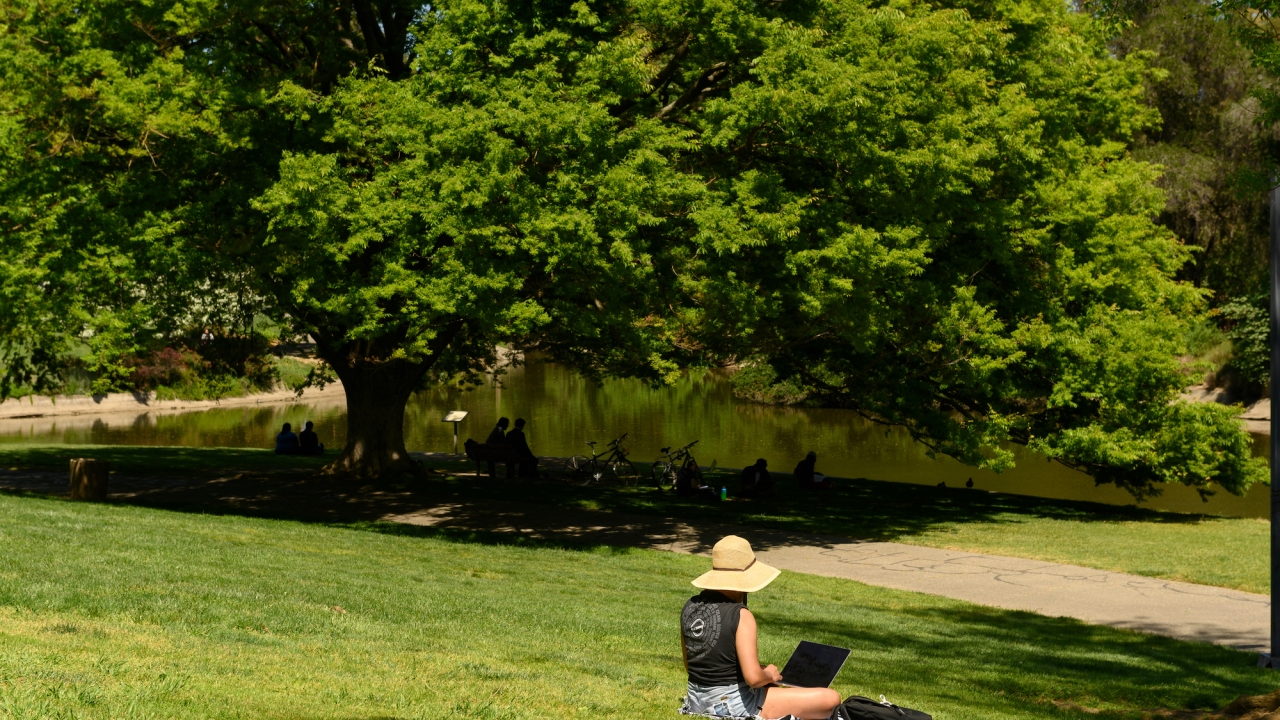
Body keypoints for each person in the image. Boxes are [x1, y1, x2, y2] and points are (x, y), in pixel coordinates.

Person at [680, 536, 841, 720]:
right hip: (734, 705)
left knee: (774, 688)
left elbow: (690, 665)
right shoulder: (740, 614)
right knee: (830, 698)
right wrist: (768, 674)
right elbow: (754, 679)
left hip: (696, 700)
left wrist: (759, 675)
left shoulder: (690, 606)